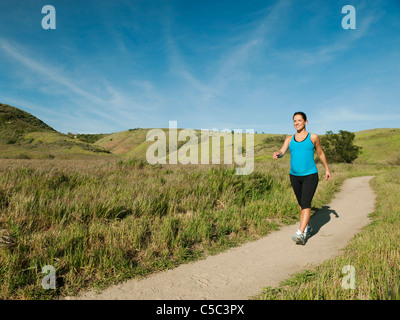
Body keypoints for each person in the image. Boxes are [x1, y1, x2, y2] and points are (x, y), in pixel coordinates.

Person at [273, 111, 331, 245]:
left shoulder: (313, 137)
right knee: (301, 204)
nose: (296, 123)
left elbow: (320, 153)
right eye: (294, 121)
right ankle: (309, 227)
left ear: (305, 122)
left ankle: (300, 232)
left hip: (310, 175)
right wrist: (278, 153)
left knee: (305, 202)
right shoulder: (289, 139)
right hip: (294, 176)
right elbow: (282, 151)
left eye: (299, 120)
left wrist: (327, 169)